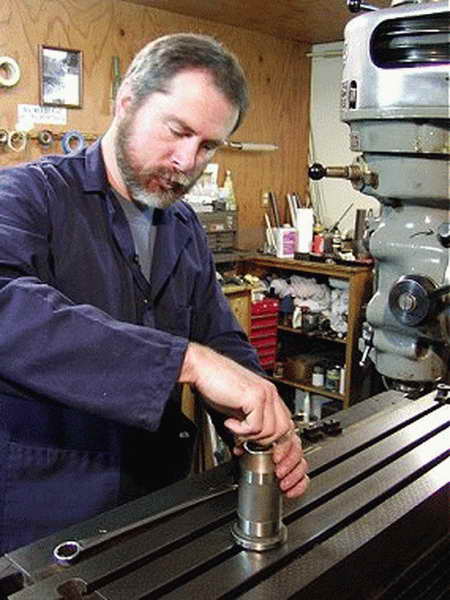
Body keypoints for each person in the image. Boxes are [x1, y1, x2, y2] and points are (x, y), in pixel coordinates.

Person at [0, 33, 308, 554]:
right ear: (127, 103)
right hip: (44, 509)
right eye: (178, 131)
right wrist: (186, 362)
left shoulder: (182, 225)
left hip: (152, 498)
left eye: (208, 146)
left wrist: (261, 417)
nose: (188, 161)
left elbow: (218, 335)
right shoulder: (29, 194)